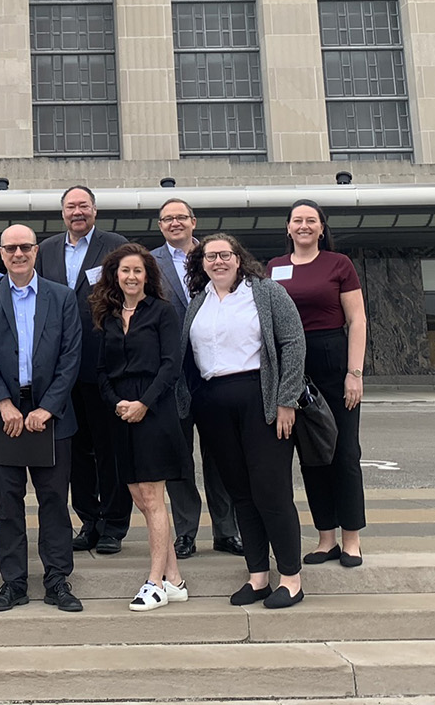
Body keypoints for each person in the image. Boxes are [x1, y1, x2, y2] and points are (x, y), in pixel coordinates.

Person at [183, 233, 307, 609]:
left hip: (261, 400)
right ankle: (257, 576)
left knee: (270, 490)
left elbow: (293, 343)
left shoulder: (266, 292)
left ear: (239, 258)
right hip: (213, 404)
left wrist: (287, 400)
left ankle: (291, 578)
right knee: (240, 493)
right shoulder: (198, 301)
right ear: (201, 263)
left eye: (225, 254)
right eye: (210, 256)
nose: (217, 261)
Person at [0, 224, 85, 613]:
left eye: (25, 247)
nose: (18, 254)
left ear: (36, 251)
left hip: (51, 415)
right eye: (11, 248)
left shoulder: (62, 297)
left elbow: (71, 356)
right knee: (8, 502)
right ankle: (14, 582)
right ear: (0, 254)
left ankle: (57, 579)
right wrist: (4, 405)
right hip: (3, 416)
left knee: (54, 500)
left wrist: (47, 407)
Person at [267, 199, 369, 569]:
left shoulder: (338, 265)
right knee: (312, 454)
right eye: (298, 220)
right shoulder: (275, 268)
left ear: (322, 228)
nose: (304, 226)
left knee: (344, 452)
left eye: (312, 220)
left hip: (333, 360)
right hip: (294, 367)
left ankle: (351, 538)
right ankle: (326, 536)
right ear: (289, 227)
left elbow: (357, 321)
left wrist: (353, 373)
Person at [91, 243, 190, 611]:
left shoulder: (162, 312)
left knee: (152, 495)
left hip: (154, 410)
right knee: (140, 498)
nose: (131, 277)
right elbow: (101, 369)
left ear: (148, 275)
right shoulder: (109, 315)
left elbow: (171, 365)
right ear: (115, 276)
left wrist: (143, 403)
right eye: (124, 271)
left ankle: (155, 582)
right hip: (120, 412)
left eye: (138, 270)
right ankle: (175, 579)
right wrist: (116, 401)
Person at [38, 185, 128, 554]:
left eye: (84, 206)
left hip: (101, 360)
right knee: (73, 450)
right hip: (59, 368)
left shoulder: (115, 245)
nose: (78, 212)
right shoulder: (45, 250)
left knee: (110, 447)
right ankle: (88, 520)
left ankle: (113, 524)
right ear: (62, 213)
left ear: (95, 210)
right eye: (71, 206)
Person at [152, 199, 240, 560]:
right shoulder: (150, 262)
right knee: (178, 457)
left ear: (193, 221)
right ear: (160, 225)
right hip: (172, 372)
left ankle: (226, 530)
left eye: (181, 217)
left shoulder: (218, 257)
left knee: (221, 454)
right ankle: (185, 532)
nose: (175, 223)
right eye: (168, 218)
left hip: (216, 371)